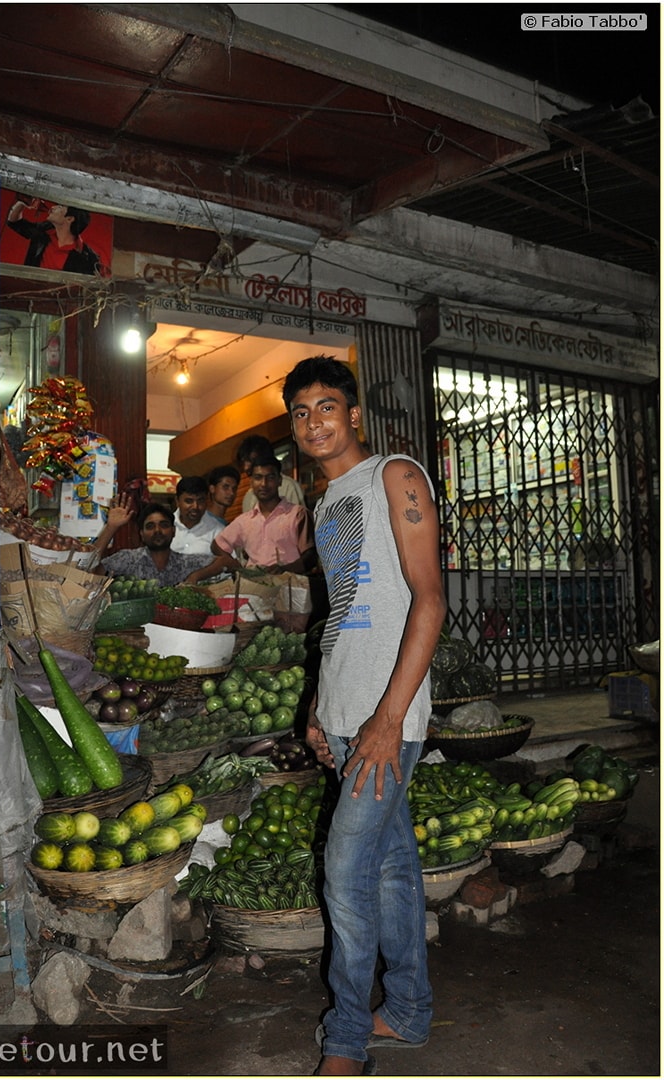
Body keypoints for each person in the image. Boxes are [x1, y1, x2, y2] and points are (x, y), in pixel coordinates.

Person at [282, 355, 446, 1077]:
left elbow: (430, 600)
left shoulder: (396, 475)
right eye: (301, 412)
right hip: (347, 711)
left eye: (326, 406)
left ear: (352, 414)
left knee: (344, 870)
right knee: (389, 870)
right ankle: (407, 1011)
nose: (314, 421)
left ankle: (346, 1036)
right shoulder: (322, 504)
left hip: (389, 715)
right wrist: (321, 708)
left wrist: (388, 718)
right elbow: (339, 615)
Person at [186, 452, 316, 585]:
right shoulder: (244, 521)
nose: (264, 484)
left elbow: (311, 557)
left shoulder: (297, 514)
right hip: (253, 594)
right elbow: (217, 545)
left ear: (280, 480)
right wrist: (236, 567)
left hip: (290, 592)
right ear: (251, 482)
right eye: (258, 477)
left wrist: (284, 570)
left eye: (270, 477)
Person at [93, 497, 203, 586]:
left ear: (173, 531)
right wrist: (110, 528)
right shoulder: (127, 559)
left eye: (163, 525)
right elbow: (90, 574)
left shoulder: (187, 563)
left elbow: (218, 564)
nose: (157, 530)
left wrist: (196, 576)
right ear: (142, 534)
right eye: (150, 526)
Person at [7, 197, 106, 275]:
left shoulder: (88, 258)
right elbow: (14, 222)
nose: (53, 207)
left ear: (69, 219)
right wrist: (23, 203)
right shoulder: (45, 231)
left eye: (60, 207)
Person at [232, 434, 306, 518]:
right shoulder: (248, 497)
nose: (246, 466)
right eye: (243, 461)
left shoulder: (288, 486)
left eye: (250, 460)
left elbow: (299, 524)